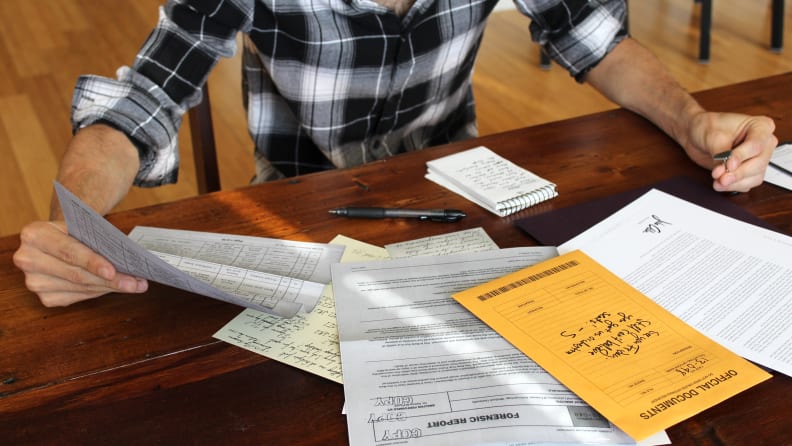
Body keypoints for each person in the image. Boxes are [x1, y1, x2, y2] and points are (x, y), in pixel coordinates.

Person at [13, 0, 777, 308]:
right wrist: (72, 228)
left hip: (462, 198)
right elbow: (145, 98)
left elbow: (594, 37)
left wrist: (691, 120)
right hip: (304, 209)